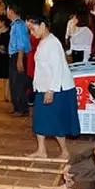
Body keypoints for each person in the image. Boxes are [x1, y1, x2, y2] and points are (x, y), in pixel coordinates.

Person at [26, 15, 79, 159]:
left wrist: (52, 90)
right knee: (40, 120)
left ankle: (64, 151)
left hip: (56, 89)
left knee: (56, 121)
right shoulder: (43, 42)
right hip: (43, 88)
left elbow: (57, 68)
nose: (32, 32)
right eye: (29, 30)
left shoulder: (53, 43)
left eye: (33, 28)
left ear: (43, 25)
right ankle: (41, 150)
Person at [7, 4, 31, 116]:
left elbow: (21, 44)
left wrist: (20, 59)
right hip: (15, 56)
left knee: (18, 83)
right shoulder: (15, 25)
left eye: (8, 10)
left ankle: (21, 108)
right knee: (14, 82)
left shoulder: (19, 25)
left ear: (12, 11)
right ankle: (18, 107)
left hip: (18, 55)